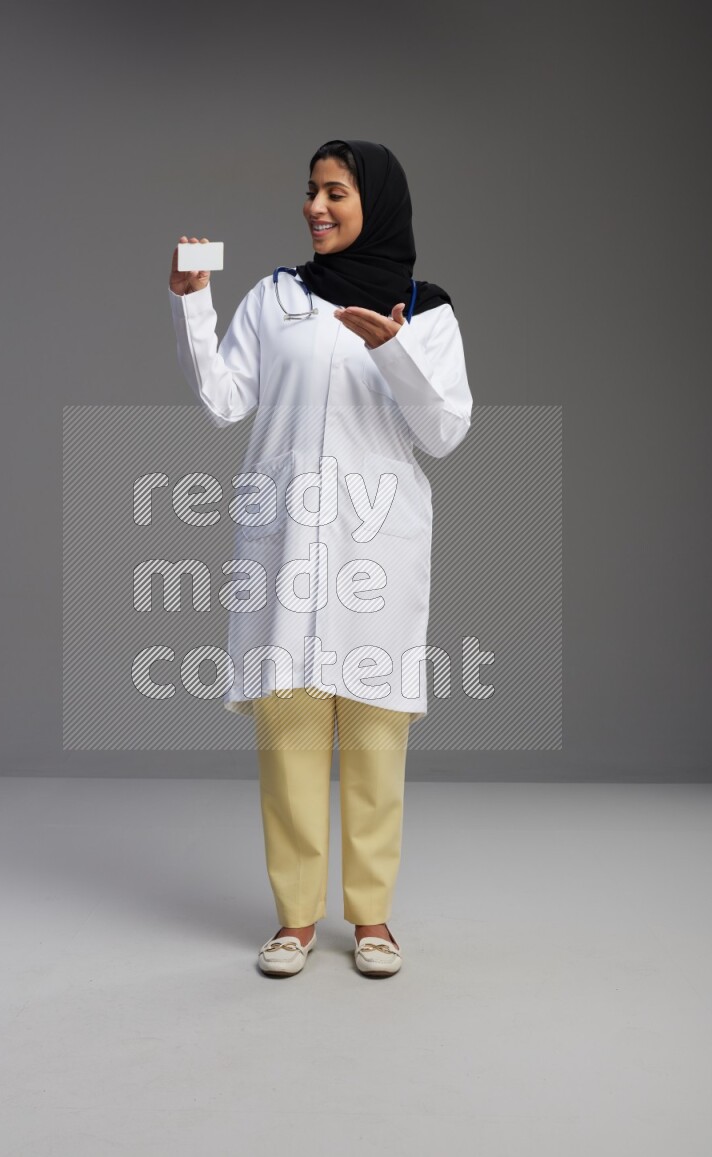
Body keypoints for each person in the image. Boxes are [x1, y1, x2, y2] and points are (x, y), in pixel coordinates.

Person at [168, 139, 472, 978]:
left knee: (376, 738)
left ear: (375, 201)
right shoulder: (275, 297)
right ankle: (294, 919)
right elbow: (226, 403)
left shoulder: (425, 309)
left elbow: (445, 431)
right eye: (310, 191)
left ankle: (371, 920)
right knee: (291, 735)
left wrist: (390, 349)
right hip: (287, 547)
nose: (315, 206)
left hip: (377, 549)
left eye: (334, 191)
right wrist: (196, 305)